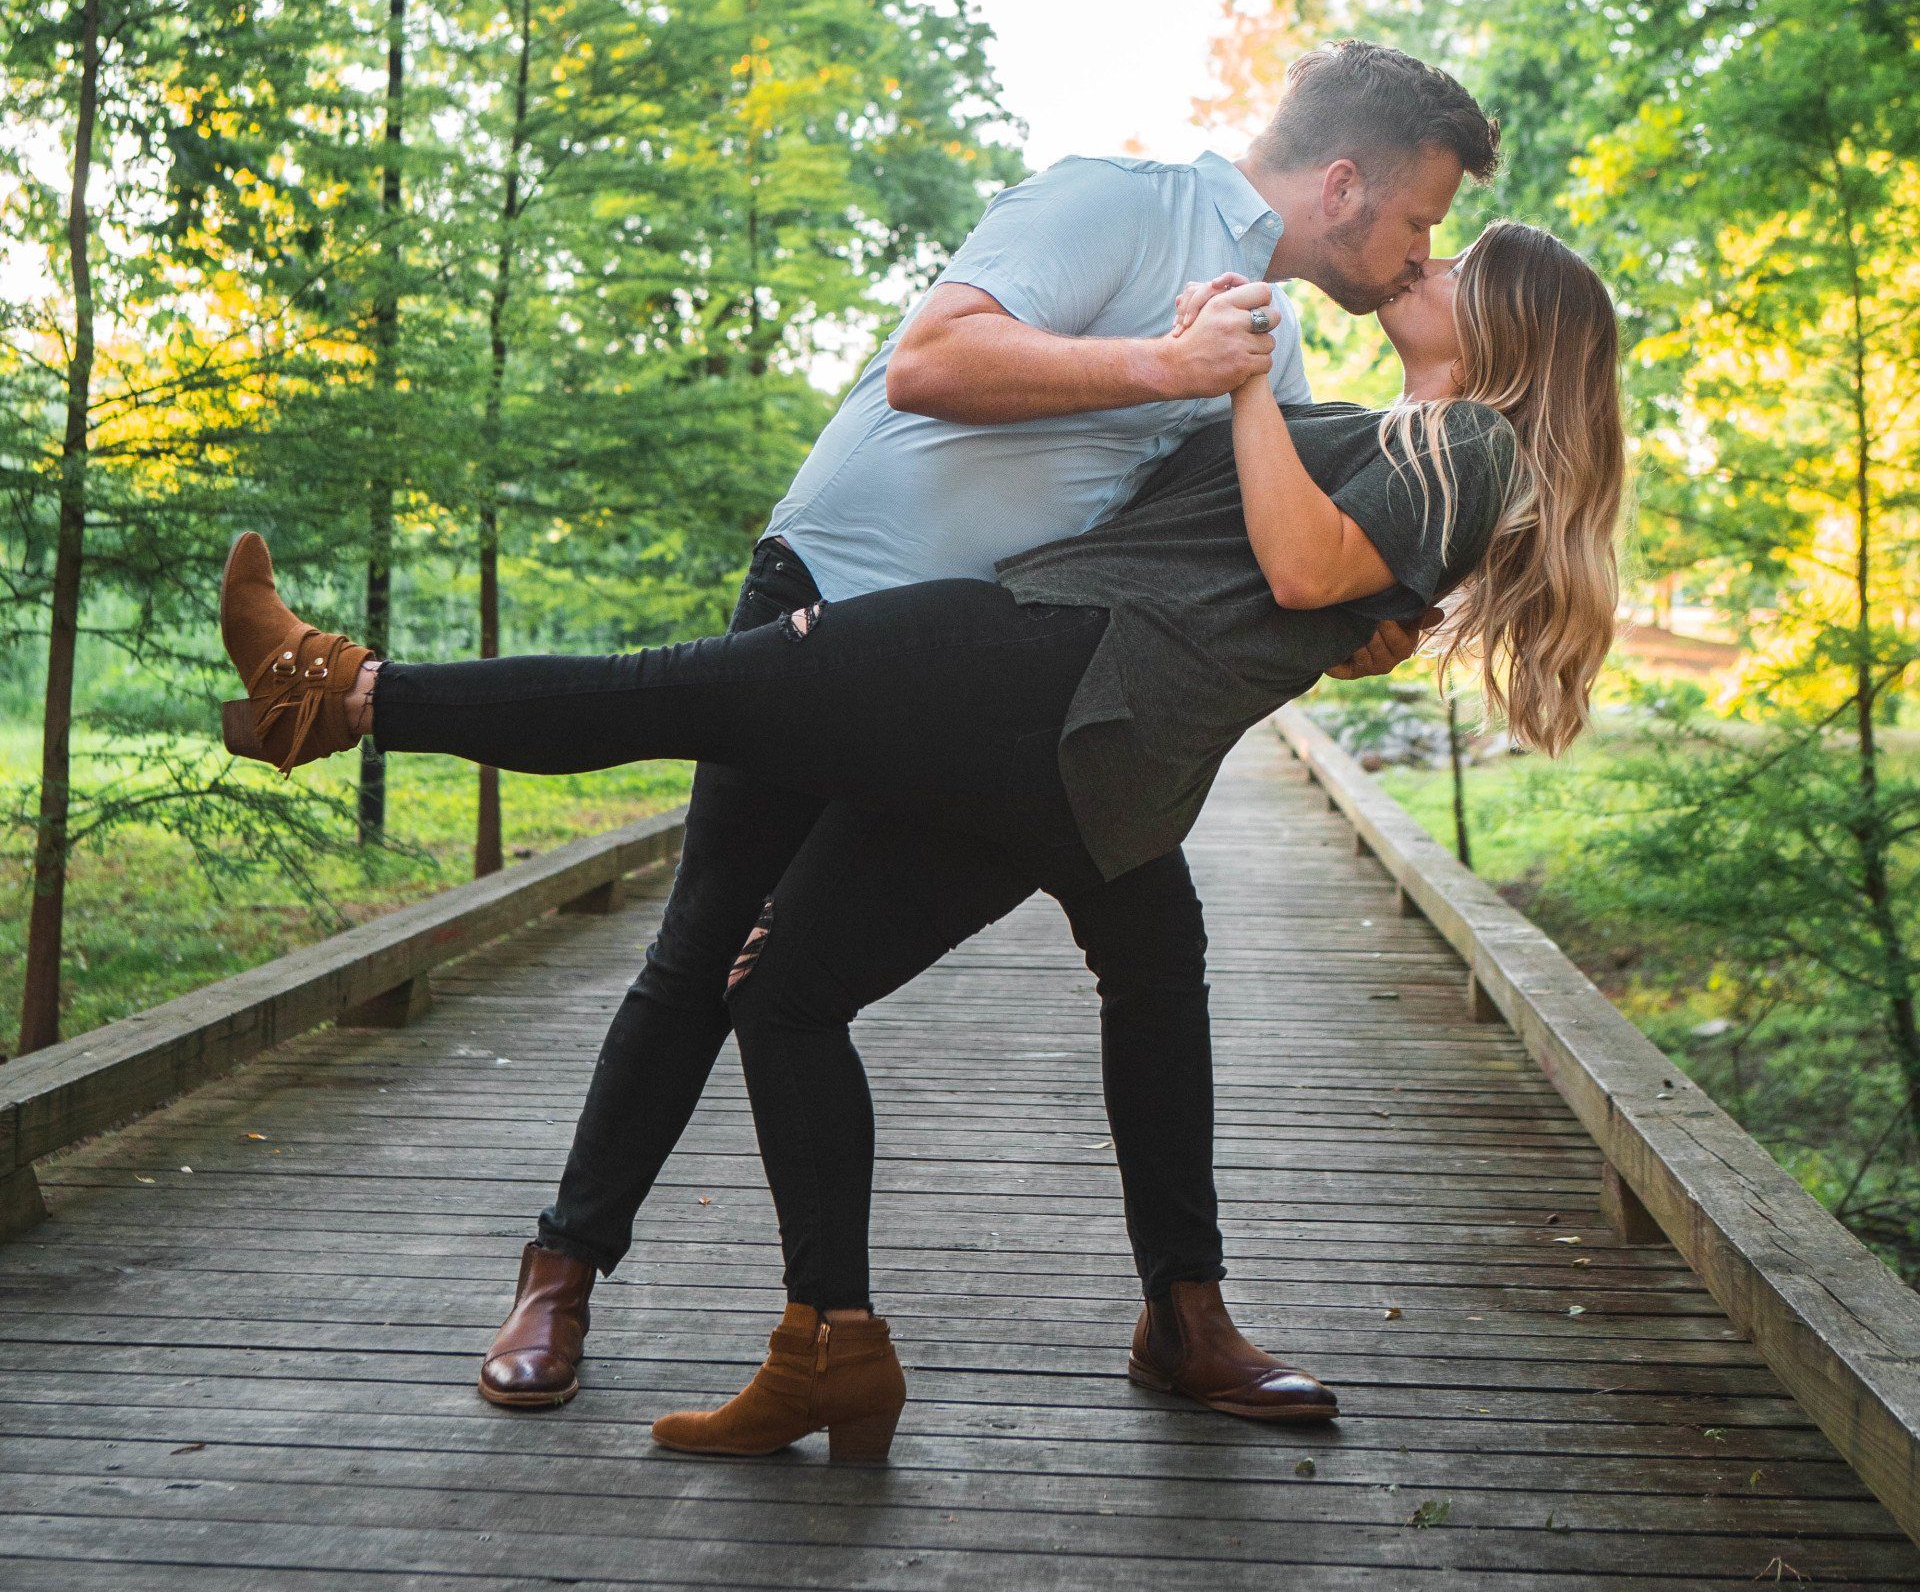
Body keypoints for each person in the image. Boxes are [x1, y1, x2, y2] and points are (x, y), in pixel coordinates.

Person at [220, 217, 1624, 1461]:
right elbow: (1300, 573)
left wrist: (1240, 381)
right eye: (1434, 238)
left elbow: (1300, 565)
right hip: (1073, 760)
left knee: (683, 689)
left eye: (1459, 262)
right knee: (781, 989)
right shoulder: (1400, 439)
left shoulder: (1470, 444)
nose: (1426, 260)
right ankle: (830, 1350)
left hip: (1033, 665)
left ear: (1508, 331)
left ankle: (337, 693)